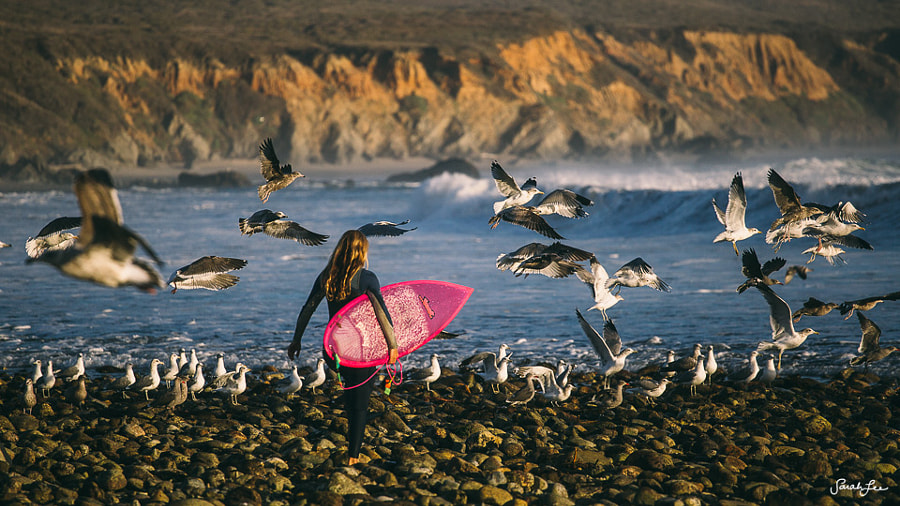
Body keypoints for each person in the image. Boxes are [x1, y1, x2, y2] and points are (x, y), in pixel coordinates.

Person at [288, 229, 398, 465]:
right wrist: (393, 346)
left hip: (332, 350)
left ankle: (353, 435)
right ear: (362, 251)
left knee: (354, 393)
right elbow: (382, 314)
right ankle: (353, 456)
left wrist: (296, 339)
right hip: (359, 351)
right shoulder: (367, 278)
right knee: (360, 403)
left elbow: (308, 308)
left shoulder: (326, 275)